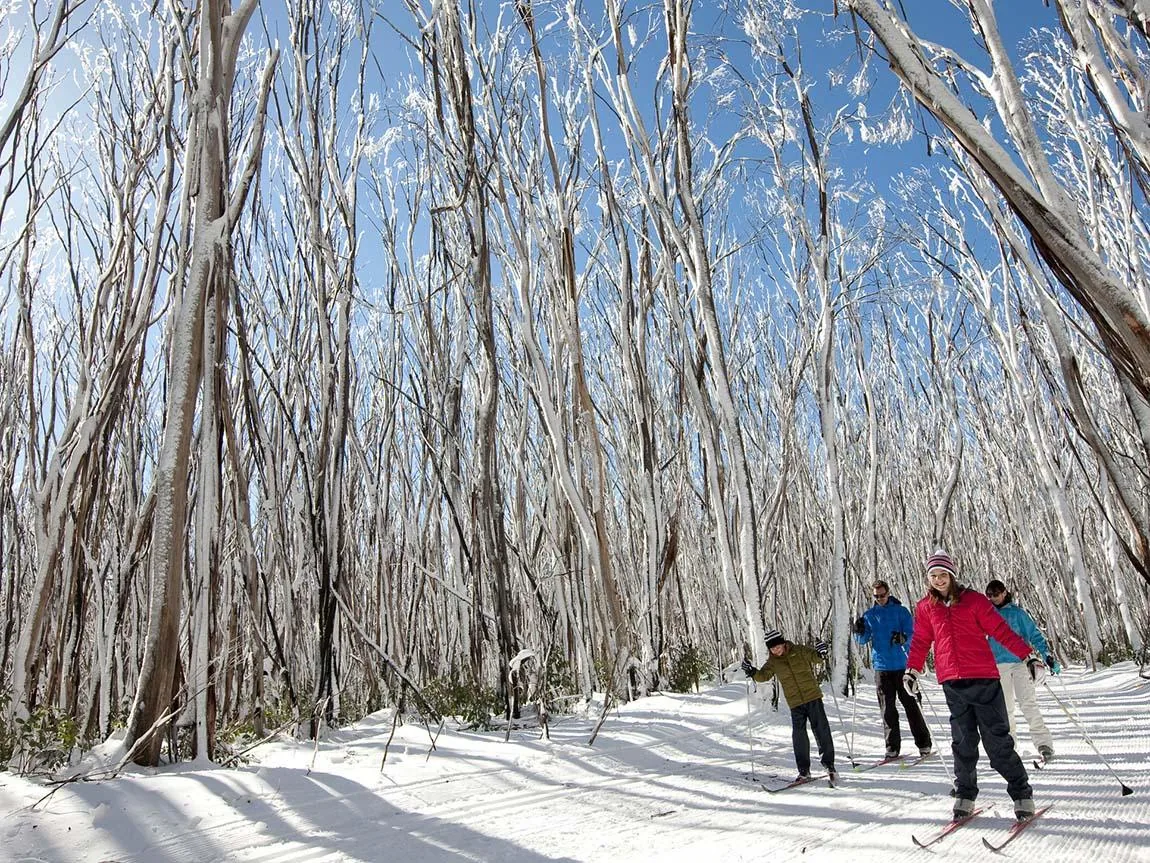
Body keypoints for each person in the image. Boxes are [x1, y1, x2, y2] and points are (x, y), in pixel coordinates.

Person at [904, 550, 1046, 822]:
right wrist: (912, 670)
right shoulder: (925, 607)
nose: (938, 580)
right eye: (933, 576)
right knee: (963, 743)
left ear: (952, 575)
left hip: (984, 679)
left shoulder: (974, 601)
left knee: (997, 742)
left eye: (943, 574)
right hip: (952, 683)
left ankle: (1021, 793)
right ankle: (965, 794)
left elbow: (1001, 631)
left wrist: (1027, 655)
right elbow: (921, 641)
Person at [742, 628, 837, 782]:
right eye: (772, 649)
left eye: (777, 647)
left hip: (812, 697)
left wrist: (821, 652)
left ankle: (829, 765)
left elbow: (816, 658)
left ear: (783, 643)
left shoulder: (799, 650)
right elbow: (763, 676)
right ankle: (804, 771)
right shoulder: (773, 662)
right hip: (795, 702)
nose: (776, 650)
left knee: (821, 731)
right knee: (798, 736)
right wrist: (752, 671)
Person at [853, 579, 933, 759]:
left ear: (888, 593)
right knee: (887, 709)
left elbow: (914, 634)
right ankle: (892, 747)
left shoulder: (901, 612)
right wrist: (857, 630)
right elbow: (863, 640)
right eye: (876, 596)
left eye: (882, 595)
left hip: (903, 665)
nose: (880, 599)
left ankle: (924, 743)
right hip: (882, 667)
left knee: (911, 706)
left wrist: (903, 638)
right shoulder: (869, 615)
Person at [985, 578, 1058, 761]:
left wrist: (1046, 655)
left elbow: (1034, 634)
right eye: (990, 595)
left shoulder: (1017, 614)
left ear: (1004, 593)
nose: (993, 598)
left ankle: (1043, 743)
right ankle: (1010, 746)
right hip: (998, 665)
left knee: (1028, 703)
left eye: (996, 594)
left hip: (1019, 663)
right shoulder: (987, 615)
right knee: (1005, 708)